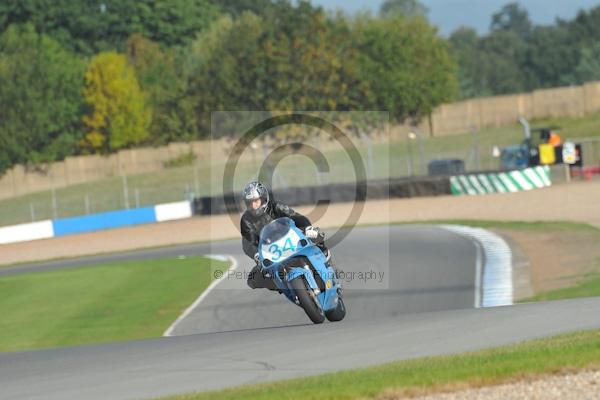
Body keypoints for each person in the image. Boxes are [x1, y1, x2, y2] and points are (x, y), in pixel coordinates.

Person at [240, 181, 331, 290]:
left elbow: (297, 217)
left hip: (291, 241)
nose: (253, 206)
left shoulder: (276, 207)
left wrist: (307, 228)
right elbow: (247, 242)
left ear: (263, 198)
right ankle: (282, 286)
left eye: (256, 201)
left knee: (317, 236)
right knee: (253, 279)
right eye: (250, 203)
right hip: (271, 252)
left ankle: (325, 259)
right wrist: (256, 254)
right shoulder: (246, 219)